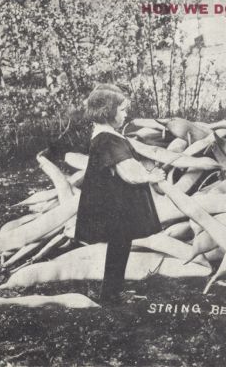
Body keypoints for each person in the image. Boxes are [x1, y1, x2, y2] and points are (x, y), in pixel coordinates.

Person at [74, 85, 165, 305]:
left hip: (114, 202)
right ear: (108, 111)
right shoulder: (108, 139)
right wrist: (152, 176)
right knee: (119, 244)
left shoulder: (104, 135)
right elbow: (129, 172)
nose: (126, 114)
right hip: (115, 206)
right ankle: (112, 294)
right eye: (122, 110)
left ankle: (113, 290)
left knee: (120, 245)